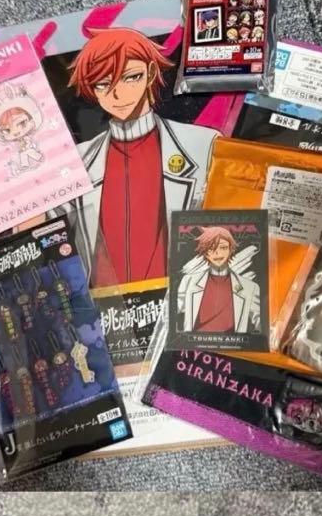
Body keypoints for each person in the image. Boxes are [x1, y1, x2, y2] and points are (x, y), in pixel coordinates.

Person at [66, 27, 219, 286]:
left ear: (150, 72)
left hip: (180, 299)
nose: (118, 94)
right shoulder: (75, 162)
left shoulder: (204, 145)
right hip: (104, 305)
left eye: (131, 77)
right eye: (103, 84)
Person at [175, 225, 262, 335]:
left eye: (223, 248)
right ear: (205, 252)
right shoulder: (189, 281)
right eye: (212, 248)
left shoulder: (250, 287)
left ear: (231, 249)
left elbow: (260, 321)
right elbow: (171, 311)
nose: (218, 253)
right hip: (194, 343)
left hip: (232, 344)